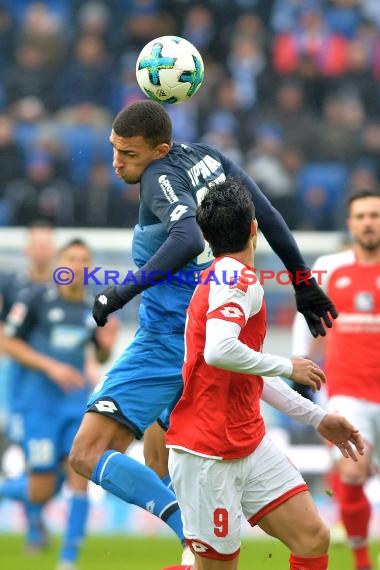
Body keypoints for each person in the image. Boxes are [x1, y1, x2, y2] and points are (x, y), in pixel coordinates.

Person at [69, 100, 337, 563]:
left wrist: (117, 294)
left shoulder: (158, 177)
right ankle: (197, 541)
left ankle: (188, 533)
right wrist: (303, 282)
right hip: (203, 329)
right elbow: (267, 213)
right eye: (114, 150)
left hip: (167, 341)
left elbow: (187, 238)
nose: (117, 162)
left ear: (159, 149)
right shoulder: (208, 157)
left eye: (128, 154)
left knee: (87, 454)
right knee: (158, 462)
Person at [164, 178, 364, 570]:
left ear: (205, 235)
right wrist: (289, 364)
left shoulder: (225, 275)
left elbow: (247, 368)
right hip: (207, 452)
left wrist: (318, 417)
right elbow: (220, 351)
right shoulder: (236, 278)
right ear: (255, 229)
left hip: (247, 440)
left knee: (312, 537)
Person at [1, 238, 117, 570]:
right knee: (41, 490)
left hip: (75, 406)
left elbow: (100, 354)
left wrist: (106, 346)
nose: (77, 265)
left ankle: (68, 561)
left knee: (80, 472)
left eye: (84, 260)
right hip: (37, 407)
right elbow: (7, 342)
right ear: (59, 264)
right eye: (71, 258)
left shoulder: (94, 307)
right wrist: (51, 367)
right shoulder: (35, 299)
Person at [292, 189, 380, 570]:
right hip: (348, 392)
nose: (368, 223)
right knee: (352, 470)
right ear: (350, 223)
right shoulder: (330, 267)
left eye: (375, 215)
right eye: (361, 216)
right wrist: (300, 366)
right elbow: (305, 316)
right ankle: (362, 561)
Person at [0, 220, 56, 552]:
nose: (41, 248)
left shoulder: (62, 286)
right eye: (36, 243)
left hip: (57, 387)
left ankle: (36, 524)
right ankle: (35, 528)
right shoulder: (12, 285)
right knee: (31, 456)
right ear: (27, 249)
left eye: (46, 243)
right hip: (20, 383)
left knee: (53, 462)